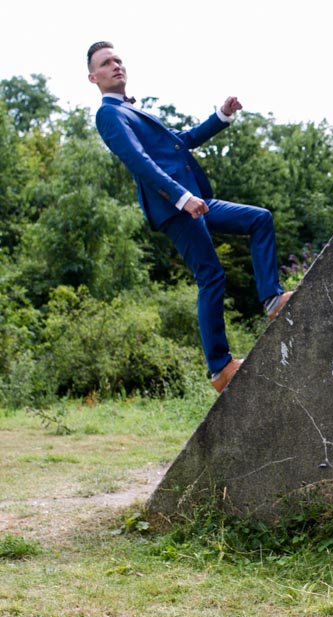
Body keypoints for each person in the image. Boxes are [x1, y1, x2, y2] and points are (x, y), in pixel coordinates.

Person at [86, 41, 292, 393]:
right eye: (106, 63)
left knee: (259, 219)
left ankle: (272, 298)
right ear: (94, 77)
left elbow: (179, 142)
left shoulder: (134, 111)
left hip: (195, 201)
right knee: (211, 276)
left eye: (118, 59)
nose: (116, 65)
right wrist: (181, 198)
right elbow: (139, 162)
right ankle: (220, 368)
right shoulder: (109, 114)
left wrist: (221, 117)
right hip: (176, 207)